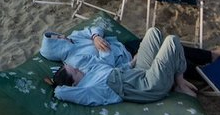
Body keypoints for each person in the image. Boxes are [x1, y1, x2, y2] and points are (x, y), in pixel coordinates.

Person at [46, 28, 198, 106]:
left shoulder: (91, 71)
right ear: (73, 85)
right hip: (148, 86)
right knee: (171, 41)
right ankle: (180, 83)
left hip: (137, 70)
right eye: (75, 71)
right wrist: (54, 84)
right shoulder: (87, 91)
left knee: (153, 32)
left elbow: (115, 69)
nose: (78, 68)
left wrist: (133, 62)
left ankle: (176, 78)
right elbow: (60, 92)